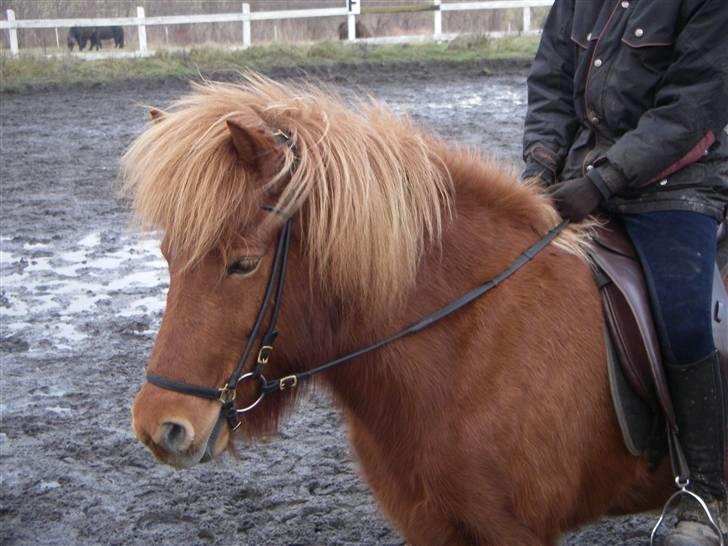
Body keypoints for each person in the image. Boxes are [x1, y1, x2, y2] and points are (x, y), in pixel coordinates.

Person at [521, 1, 728, 544]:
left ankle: (705, 494)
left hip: (675, 186)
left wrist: (605, 180)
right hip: (576, 181)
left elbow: (691, 106)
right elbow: (550, 79)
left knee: (686, 321)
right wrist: (539, 167)